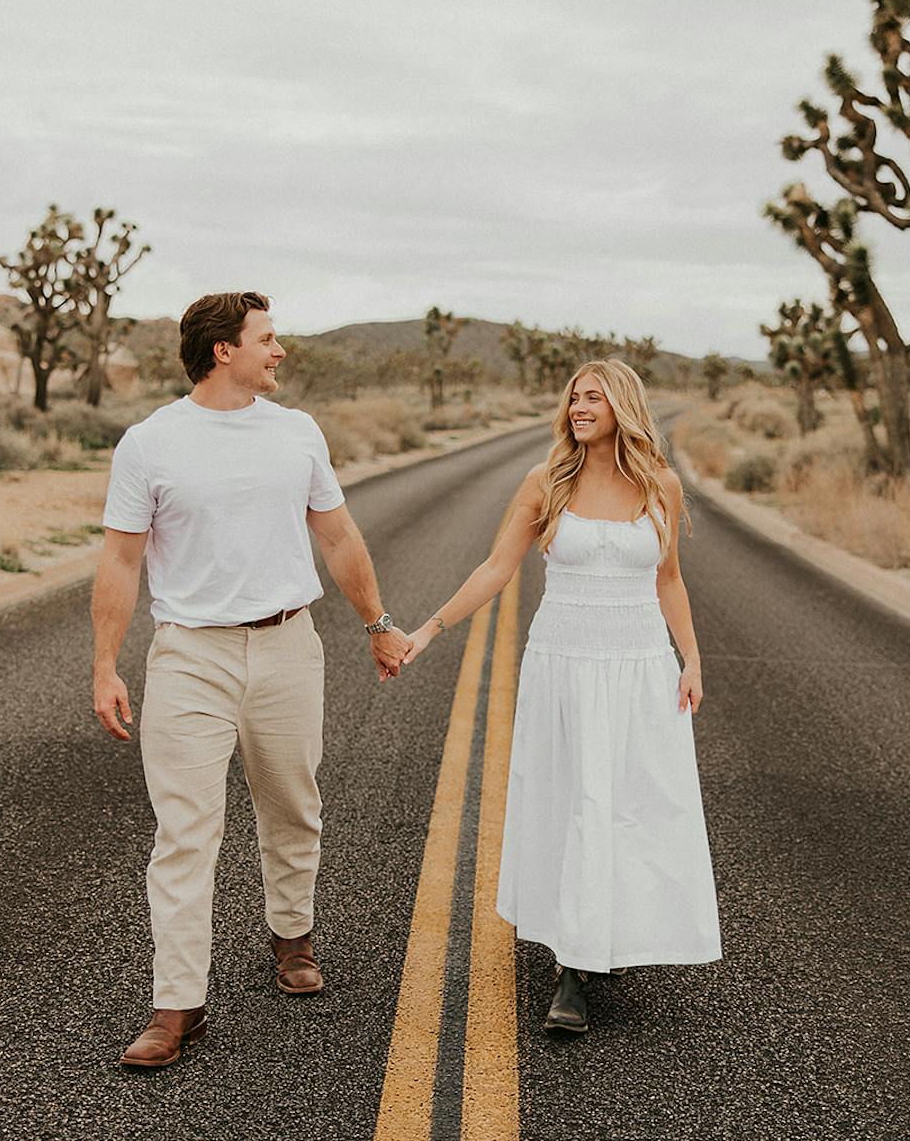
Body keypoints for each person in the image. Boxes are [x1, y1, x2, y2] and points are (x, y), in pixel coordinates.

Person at [91, 291, 411, 1068]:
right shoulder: (150, 442)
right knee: (184, 834)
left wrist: (375, 623)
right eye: (267, 339)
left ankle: (291, 934)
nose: (280, 351)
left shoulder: (296, 432)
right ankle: (176, 1007)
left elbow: (336, 535)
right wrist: (104, 663)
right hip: (189, 657)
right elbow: (121, 558)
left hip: (286, 647)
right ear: (222, 350)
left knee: (292, 806)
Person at [403, 358, 721, 1034]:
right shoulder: (544, 482)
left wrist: (689, 659)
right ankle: (573, 969)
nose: (579, 407)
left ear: (622, 408)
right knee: (576, 802)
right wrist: (429, 628)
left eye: (593, 398)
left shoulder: (658, 484)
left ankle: (608, 932)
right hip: (563, 665)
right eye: (574, 397)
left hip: (638, 665)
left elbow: (667, 580)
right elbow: (496, 568)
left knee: (630, 805)